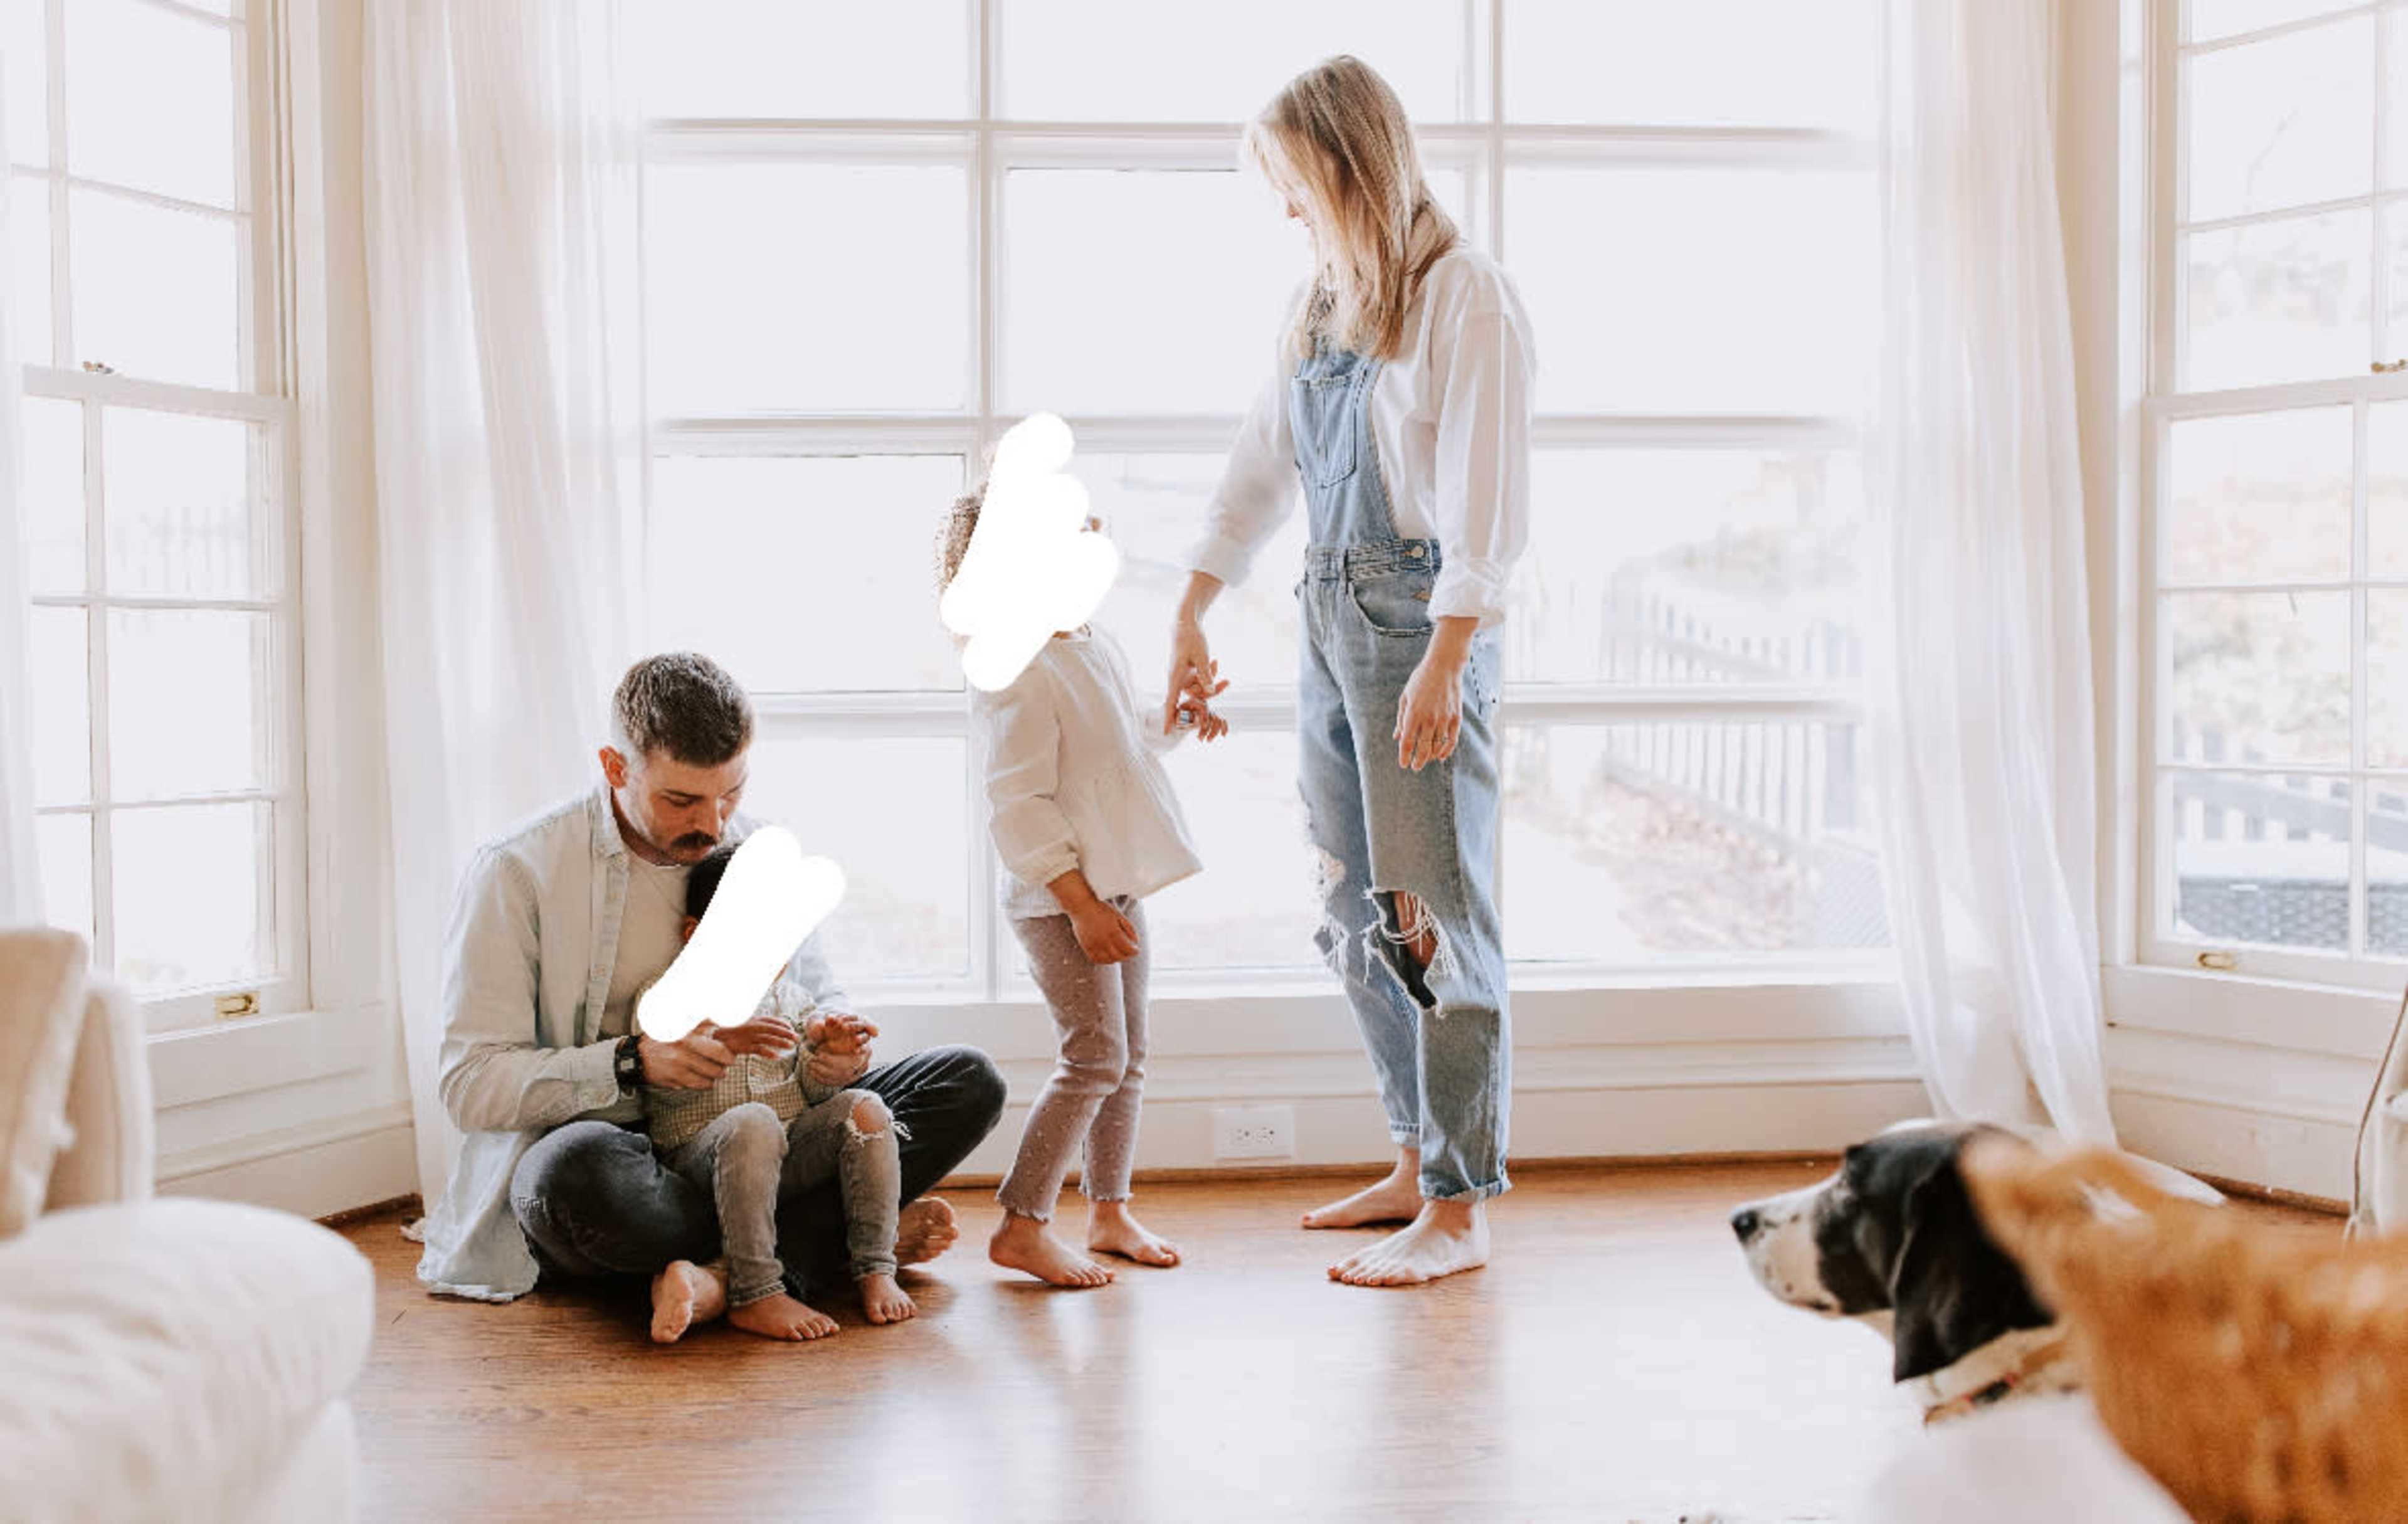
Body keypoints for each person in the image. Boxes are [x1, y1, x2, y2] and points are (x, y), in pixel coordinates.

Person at [1164, 56, 1535, 1287]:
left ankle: (1460, 1202)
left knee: (1432, 911)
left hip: (1424, 626)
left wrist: (1450, 652)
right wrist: (1196, 604)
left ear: (1345, 162)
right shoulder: (1318, 302)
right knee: (1348, 905)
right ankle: (1411, 1152)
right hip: (1330, 613)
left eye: (1291, 180)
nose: (1282, 208)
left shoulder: (1462, 295)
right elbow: (1265, 463)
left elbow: (1489, 501)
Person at [414, 652, 1006, 1331]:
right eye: (682, 800)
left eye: (732, 793)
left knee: (967, 1081)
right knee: (568, 1178)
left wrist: (838, 1054)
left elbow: (816, 998)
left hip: (767, 1135)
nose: (715, 823)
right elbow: (469, 1086)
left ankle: (723, 1279)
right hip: (630, 1163)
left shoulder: (755, 854)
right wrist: (632, 1061)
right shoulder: (517, 873)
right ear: (615, 768)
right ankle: (842, 1243)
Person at [943, 489, 1230, 1287]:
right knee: (1094, 1056)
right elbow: (1017, 805)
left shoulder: (1088, 644)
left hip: (1113, 890)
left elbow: (1124, 745)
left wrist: (1177, 716)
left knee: (1127, 1054)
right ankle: (1022, 1224)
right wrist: (1081, 905)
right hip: (1062, 900)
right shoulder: (1020, 670)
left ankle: (1108, 1210)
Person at [641, 843, 915, 1344]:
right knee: (753, 1121)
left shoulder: (794, 1002)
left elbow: (808, 1093)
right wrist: (721, 1041)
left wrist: (827, 1058)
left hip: (785, 1154)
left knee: (867, 1110)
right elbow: (661, 1087)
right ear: (694, 936)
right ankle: (754, 1291)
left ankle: (875, 1266)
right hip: (702, 1161)